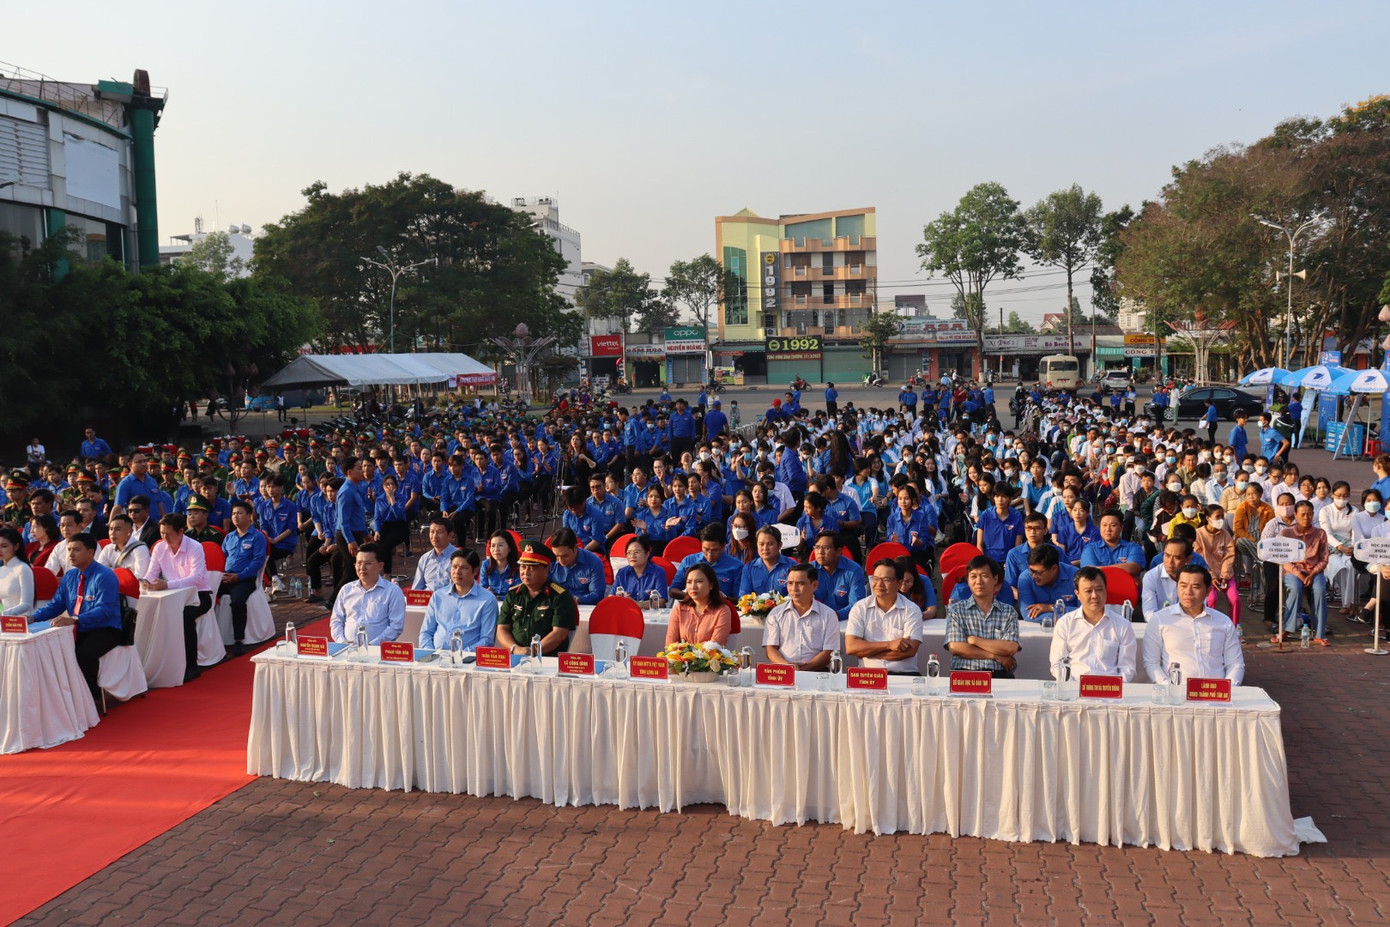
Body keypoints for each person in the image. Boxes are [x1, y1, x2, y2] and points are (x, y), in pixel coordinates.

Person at [29, 533, 122, 707]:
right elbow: (56, 605)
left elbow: (104, 610)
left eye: (76, 550)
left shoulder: (105, 576)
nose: (71, 554)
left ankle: (92, 697)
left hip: (105, 629)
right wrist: (33, 617)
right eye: (69, 549)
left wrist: (74, 619)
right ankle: (64, 696)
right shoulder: (70, 576)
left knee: (82, 655)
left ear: (91, 552)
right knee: (52, 650)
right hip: (77, 628)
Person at [141, 513, 213, 683]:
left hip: (199, 595)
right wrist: (145, 583)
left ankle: (191, 666)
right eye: (161, 533)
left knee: (185, 617)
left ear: (181, 531)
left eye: (168, 534)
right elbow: (151, 572)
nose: (164, 538)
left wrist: (167, 584)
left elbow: (196, 578)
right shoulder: (159, 548)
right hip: (171, 597)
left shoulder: (195, 547)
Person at [1143, 565, 1245, 684]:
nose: (1188, 592)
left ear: (1208, 591)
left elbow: (1235, 664)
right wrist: (1168, 687)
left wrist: (1228, 688)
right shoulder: (1160, 620)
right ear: (1177, 587)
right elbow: (1151, 663)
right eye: (1183, 586)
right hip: (1176, 691)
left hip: (1214, 691)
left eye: (1196, 587)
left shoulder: (1223, 622)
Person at [1048, 566, 1138, 681]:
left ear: (1106, 590)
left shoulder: (1123, 625)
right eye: (1088, 591)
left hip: (1110, 689)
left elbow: (1128, 668)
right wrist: (1071, 685)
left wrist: (1114, 686)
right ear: (1077, 594)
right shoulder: (1065, 623)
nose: (1094, 596)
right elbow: (1057, 664)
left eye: (1099, 589)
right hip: (1074, 687)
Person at [496, 541, 580, 656]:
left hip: (547, 658)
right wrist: (515, 649)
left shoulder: (560, 596)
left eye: (532, 568)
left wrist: (532, 652)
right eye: (523, 567)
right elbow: (502, 629)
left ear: (545, 570)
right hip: (516, 656)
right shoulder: (513, 594)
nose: (525, 572)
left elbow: (559, 634)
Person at [944, 555, 1021, 677]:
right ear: (968, 580)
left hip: (999, 674)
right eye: (973, 576)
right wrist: (994, 656)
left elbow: (1010, 647)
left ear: (995, 579)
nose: (978, 581)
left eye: (984, 576)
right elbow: (955, 647)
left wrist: (974, 640)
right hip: (965, 674)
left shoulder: (1008, 611)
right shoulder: (957, 610)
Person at [846, 558, 923, 674]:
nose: (879, 584)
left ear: (899, 583)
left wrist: (867, 652)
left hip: (904, 675)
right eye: (876, 579)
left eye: (886, 580)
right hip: (868, 676)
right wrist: (889, 645)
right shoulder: (860, 608)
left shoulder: (912, 610)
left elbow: (909, 651)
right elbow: (851, 647)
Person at [763, 563, 840, 671]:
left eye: (800, 583)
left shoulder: (828, 615)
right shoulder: (776, 613)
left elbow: (829, 652)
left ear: (815, 585)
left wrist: (802, 669)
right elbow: (770, 649)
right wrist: (788, 667)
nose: (794, 588)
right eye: (790, 583)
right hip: (783, 671)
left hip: (816, 672)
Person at [418, 549, 498, 651]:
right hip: (436, 656)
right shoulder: (438, 596)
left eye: (464, 568)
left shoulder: (487, 600)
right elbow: (426, 632)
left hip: (469, 657)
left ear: (475, 571)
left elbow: (487, 640)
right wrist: (430, 653)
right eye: (454, 567)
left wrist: (462, 655)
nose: (457, 572)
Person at [329, 542, 406, 646]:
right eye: (359, 563)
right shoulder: (346, 590)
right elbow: (336, 621)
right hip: (347, 648)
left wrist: (371, 645)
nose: (362, 568)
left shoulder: (392, 591)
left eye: (368, 563)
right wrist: (342, 642)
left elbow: (396, 626)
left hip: (377, 650)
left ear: (380, 566)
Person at [220, 500, 268, 655]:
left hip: (245, 579)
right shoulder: (229, 537)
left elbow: (258, 562)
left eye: (240, 513)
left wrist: (239, 576)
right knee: (205, 595)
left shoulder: (257, 537)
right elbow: (222, 557)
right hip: (226, 577)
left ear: (249, 516)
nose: (235, 517)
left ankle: (239, 640)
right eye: (233, 513)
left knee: (238, 602)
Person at [1279, 499, 1329, 645]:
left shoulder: (1320, 533)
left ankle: (1320, 633)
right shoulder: (1286, 533)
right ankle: (1286, 629)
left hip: (1314, 571)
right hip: (1293, 571)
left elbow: (1324, 558)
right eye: (1302, 514)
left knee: (1320, 590)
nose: (1306, 518)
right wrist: (1299, 574)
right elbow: (1283, 559)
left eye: (1309, 514)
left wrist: (1313, 573)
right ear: (1295, 514)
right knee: (1295, 588)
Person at [665, 561, 733, 646]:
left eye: (699, 581)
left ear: (711, 585)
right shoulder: (679, 609)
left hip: (710, 654)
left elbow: (715, 646)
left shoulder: (722, 611)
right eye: (689, 582)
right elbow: (670, 644)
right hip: (680, 655)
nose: (693, 586)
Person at [670, 524, 745, 601]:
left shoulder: (736, 566)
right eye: (706, 549)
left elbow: (740, 599)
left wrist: (722, 598)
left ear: (723, 546)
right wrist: (693, 596)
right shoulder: (688, 561)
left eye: (714, 550)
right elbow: (673, 591)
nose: (709, 554)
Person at [1193, 503, 1238, 626]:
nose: (1221, 520)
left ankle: (1234, 626)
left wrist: (1224, 575)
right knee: (1211, 599)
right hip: (1206, 574)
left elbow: (1229, 556)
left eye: (1222, 516)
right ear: (1208, 518)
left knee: (1234, 599)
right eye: (1218, 517)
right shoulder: (1198, 534)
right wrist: (1211, 576)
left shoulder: (1225, 534)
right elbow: (1200, 557)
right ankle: (1210, 625)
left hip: (1226, 574)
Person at [810, 530, 867, 621]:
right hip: (817, 619)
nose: (820, 552)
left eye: (826, 547)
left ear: (838, 551)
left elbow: (856, 605)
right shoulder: (809, 570)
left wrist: (834, 616)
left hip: (846, 620)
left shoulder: (854, 571)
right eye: (817, 547)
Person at [1017, 543, 1079, 622]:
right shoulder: (1025, 578)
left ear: (1054, 568)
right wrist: (1065, 614)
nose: (1034, 576)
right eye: (1031, 571)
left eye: (1039, 573)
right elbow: (1028, 614)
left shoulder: (1076, 576)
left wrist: (1051, 607)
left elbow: (1085, 611)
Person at [1080, 508, 1145, 579]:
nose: (1108, 529)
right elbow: (1090, 572)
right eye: (1104, 525)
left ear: (1121, 527)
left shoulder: (1133, 548)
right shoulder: (1090, 548)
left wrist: (1098, 569)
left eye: (1113, 525)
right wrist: (1123, 569)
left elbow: (1132, 568)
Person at [548, 528, 607, 606]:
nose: (560, 560)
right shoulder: (549, 561)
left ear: (575, 548)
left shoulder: (593, 562)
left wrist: (579, 600)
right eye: (557, 556)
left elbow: (597, 595)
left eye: (565, 556)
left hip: (584, 606)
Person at [738, 526, 795, 598]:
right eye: (761, 544)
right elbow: (744, 596)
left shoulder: (792, 567)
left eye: (770, 544)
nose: (765, 548)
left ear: (780, 545)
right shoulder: (749, 568)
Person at [1142, 536, 1191, 619]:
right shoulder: (1151, 577)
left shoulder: (1195, 578)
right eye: (1167, 555)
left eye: (1177, 558)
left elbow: (1198, 609)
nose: (1170, 562)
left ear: (1188, 559)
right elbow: (1149, 613)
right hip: (1160, 624)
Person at [611, 535, 669, 605]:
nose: (632, 556)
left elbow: (661, 600)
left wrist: (638, 604)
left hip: (650, 611)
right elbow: (611, 597)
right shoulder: (622, 573)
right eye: (629, 553)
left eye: (636, 552)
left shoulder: (658, 572)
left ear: (647, 554)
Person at [975, 483, 1024, 564]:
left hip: (1008, 560)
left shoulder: (1016, 516)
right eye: (997, 496)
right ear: (993, 498)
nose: (1000, 500)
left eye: (1004, 496)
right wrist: (984, 563)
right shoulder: (985, 515)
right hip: (989, 560)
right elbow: (979, 544)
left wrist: (1012, 563)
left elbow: (1017, 545)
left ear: (1010, 499)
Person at [411, 516, 459, 592]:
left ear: (450, 535)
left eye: (439, 532)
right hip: (427, 598)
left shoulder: (459, 558)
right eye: (432, 532)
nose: (434, 536)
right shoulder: (425, 558)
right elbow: (417, 588)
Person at [0, 526, 34, 616]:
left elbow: (27, 605)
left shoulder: (23, 568)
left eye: (4, 546)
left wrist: (3, 614)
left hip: (20, 620)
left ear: (16, 546)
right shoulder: (1, 570)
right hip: (3, 620)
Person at [479, 529, 520, 599]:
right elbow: (482, 589)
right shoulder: (486, 565)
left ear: (509, 548)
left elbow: (518, 593)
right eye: (493, 546)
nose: (496, 549)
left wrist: (497, 597)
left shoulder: (518, 567)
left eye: (500, 545)